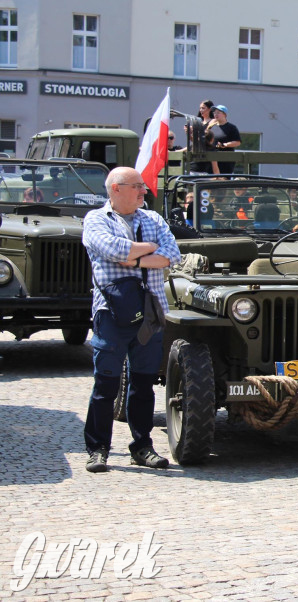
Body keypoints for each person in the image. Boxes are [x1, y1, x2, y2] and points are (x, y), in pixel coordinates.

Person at [82, 167, 182, 473]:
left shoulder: (153, 219)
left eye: (143, 186)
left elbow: (173, 254)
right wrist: (151, 253)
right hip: (112, 312)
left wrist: (134, 257)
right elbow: (112, 249)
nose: (144, 191)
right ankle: (98, 449)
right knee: (106, 384)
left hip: (150, 312)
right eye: (137, 187)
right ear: (115, 189)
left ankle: (142, 447)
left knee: (143, 384)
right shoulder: (96, 220)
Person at [208, 105, 241, 175]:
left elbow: (237, 142)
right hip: (213, 160)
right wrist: (208, 126)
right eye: (214, 113)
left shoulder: (231, 127)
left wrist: (225, 145)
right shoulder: (212, 127)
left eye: (218, 112)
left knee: (224, 181)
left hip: (226, 161)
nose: (215, 114)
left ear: (224, 114)